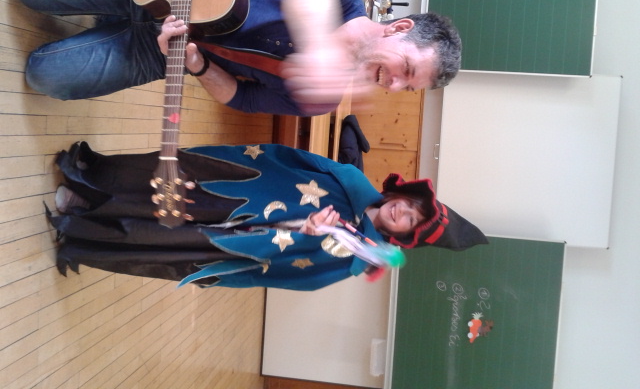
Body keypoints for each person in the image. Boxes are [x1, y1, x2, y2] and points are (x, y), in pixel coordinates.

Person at [8, 0, 462, 116]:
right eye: (406, 69)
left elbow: (242, 98)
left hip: (166, 51)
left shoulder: (322, 101)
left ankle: (105, 26)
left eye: (406, 87)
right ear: (400, 27)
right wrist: (318, 49)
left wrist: (198, 65)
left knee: (45, 76)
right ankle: (106, 16)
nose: (394, 85)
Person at [52, 141, 488, 290]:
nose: (402, 211)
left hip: (231, 243)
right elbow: (287, 160)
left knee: (159, 239)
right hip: (233, 190)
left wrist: (307, 231)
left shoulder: (352, 257)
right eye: (410, 204)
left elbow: (293, 272)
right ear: (403, 193)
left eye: (409, 220)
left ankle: (82, 226)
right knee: (169, 180)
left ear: (404, 236)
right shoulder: (349, 179)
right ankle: (90, 182)